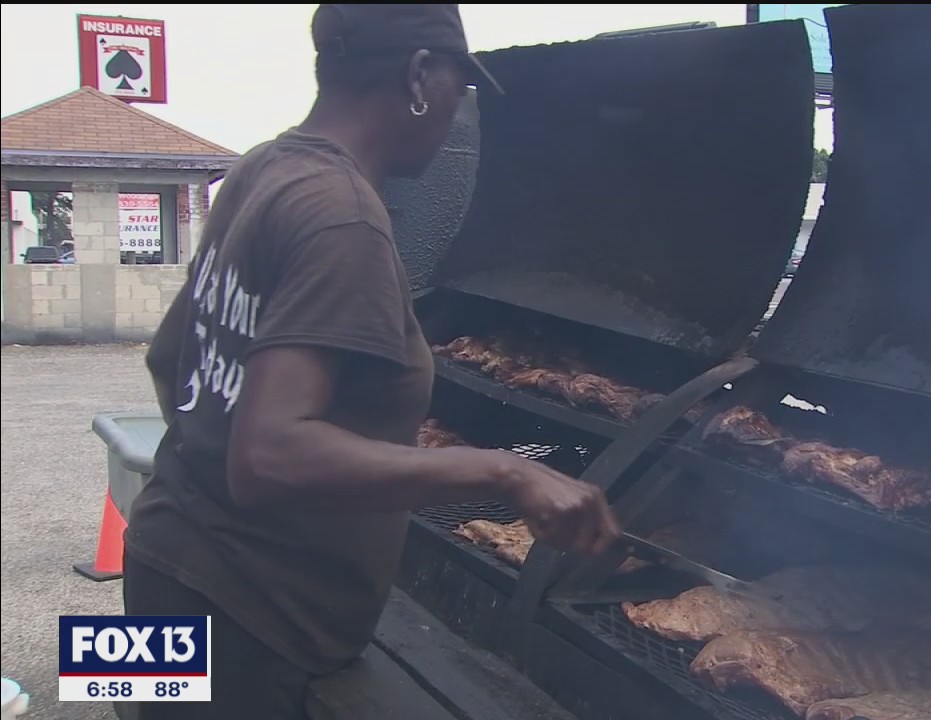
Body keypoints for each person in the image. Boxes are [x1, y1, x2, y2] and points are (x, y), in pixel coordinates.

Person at [123, 5, 622, 719]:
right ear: (420, 74)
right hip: (250, 626)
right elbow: (267, 456)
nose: (458, 109)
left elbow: (172, 358)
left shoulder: (263, 167)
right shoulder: (345, 217)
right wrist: (505, 470)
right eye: (458, 84)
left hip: (159, 564)